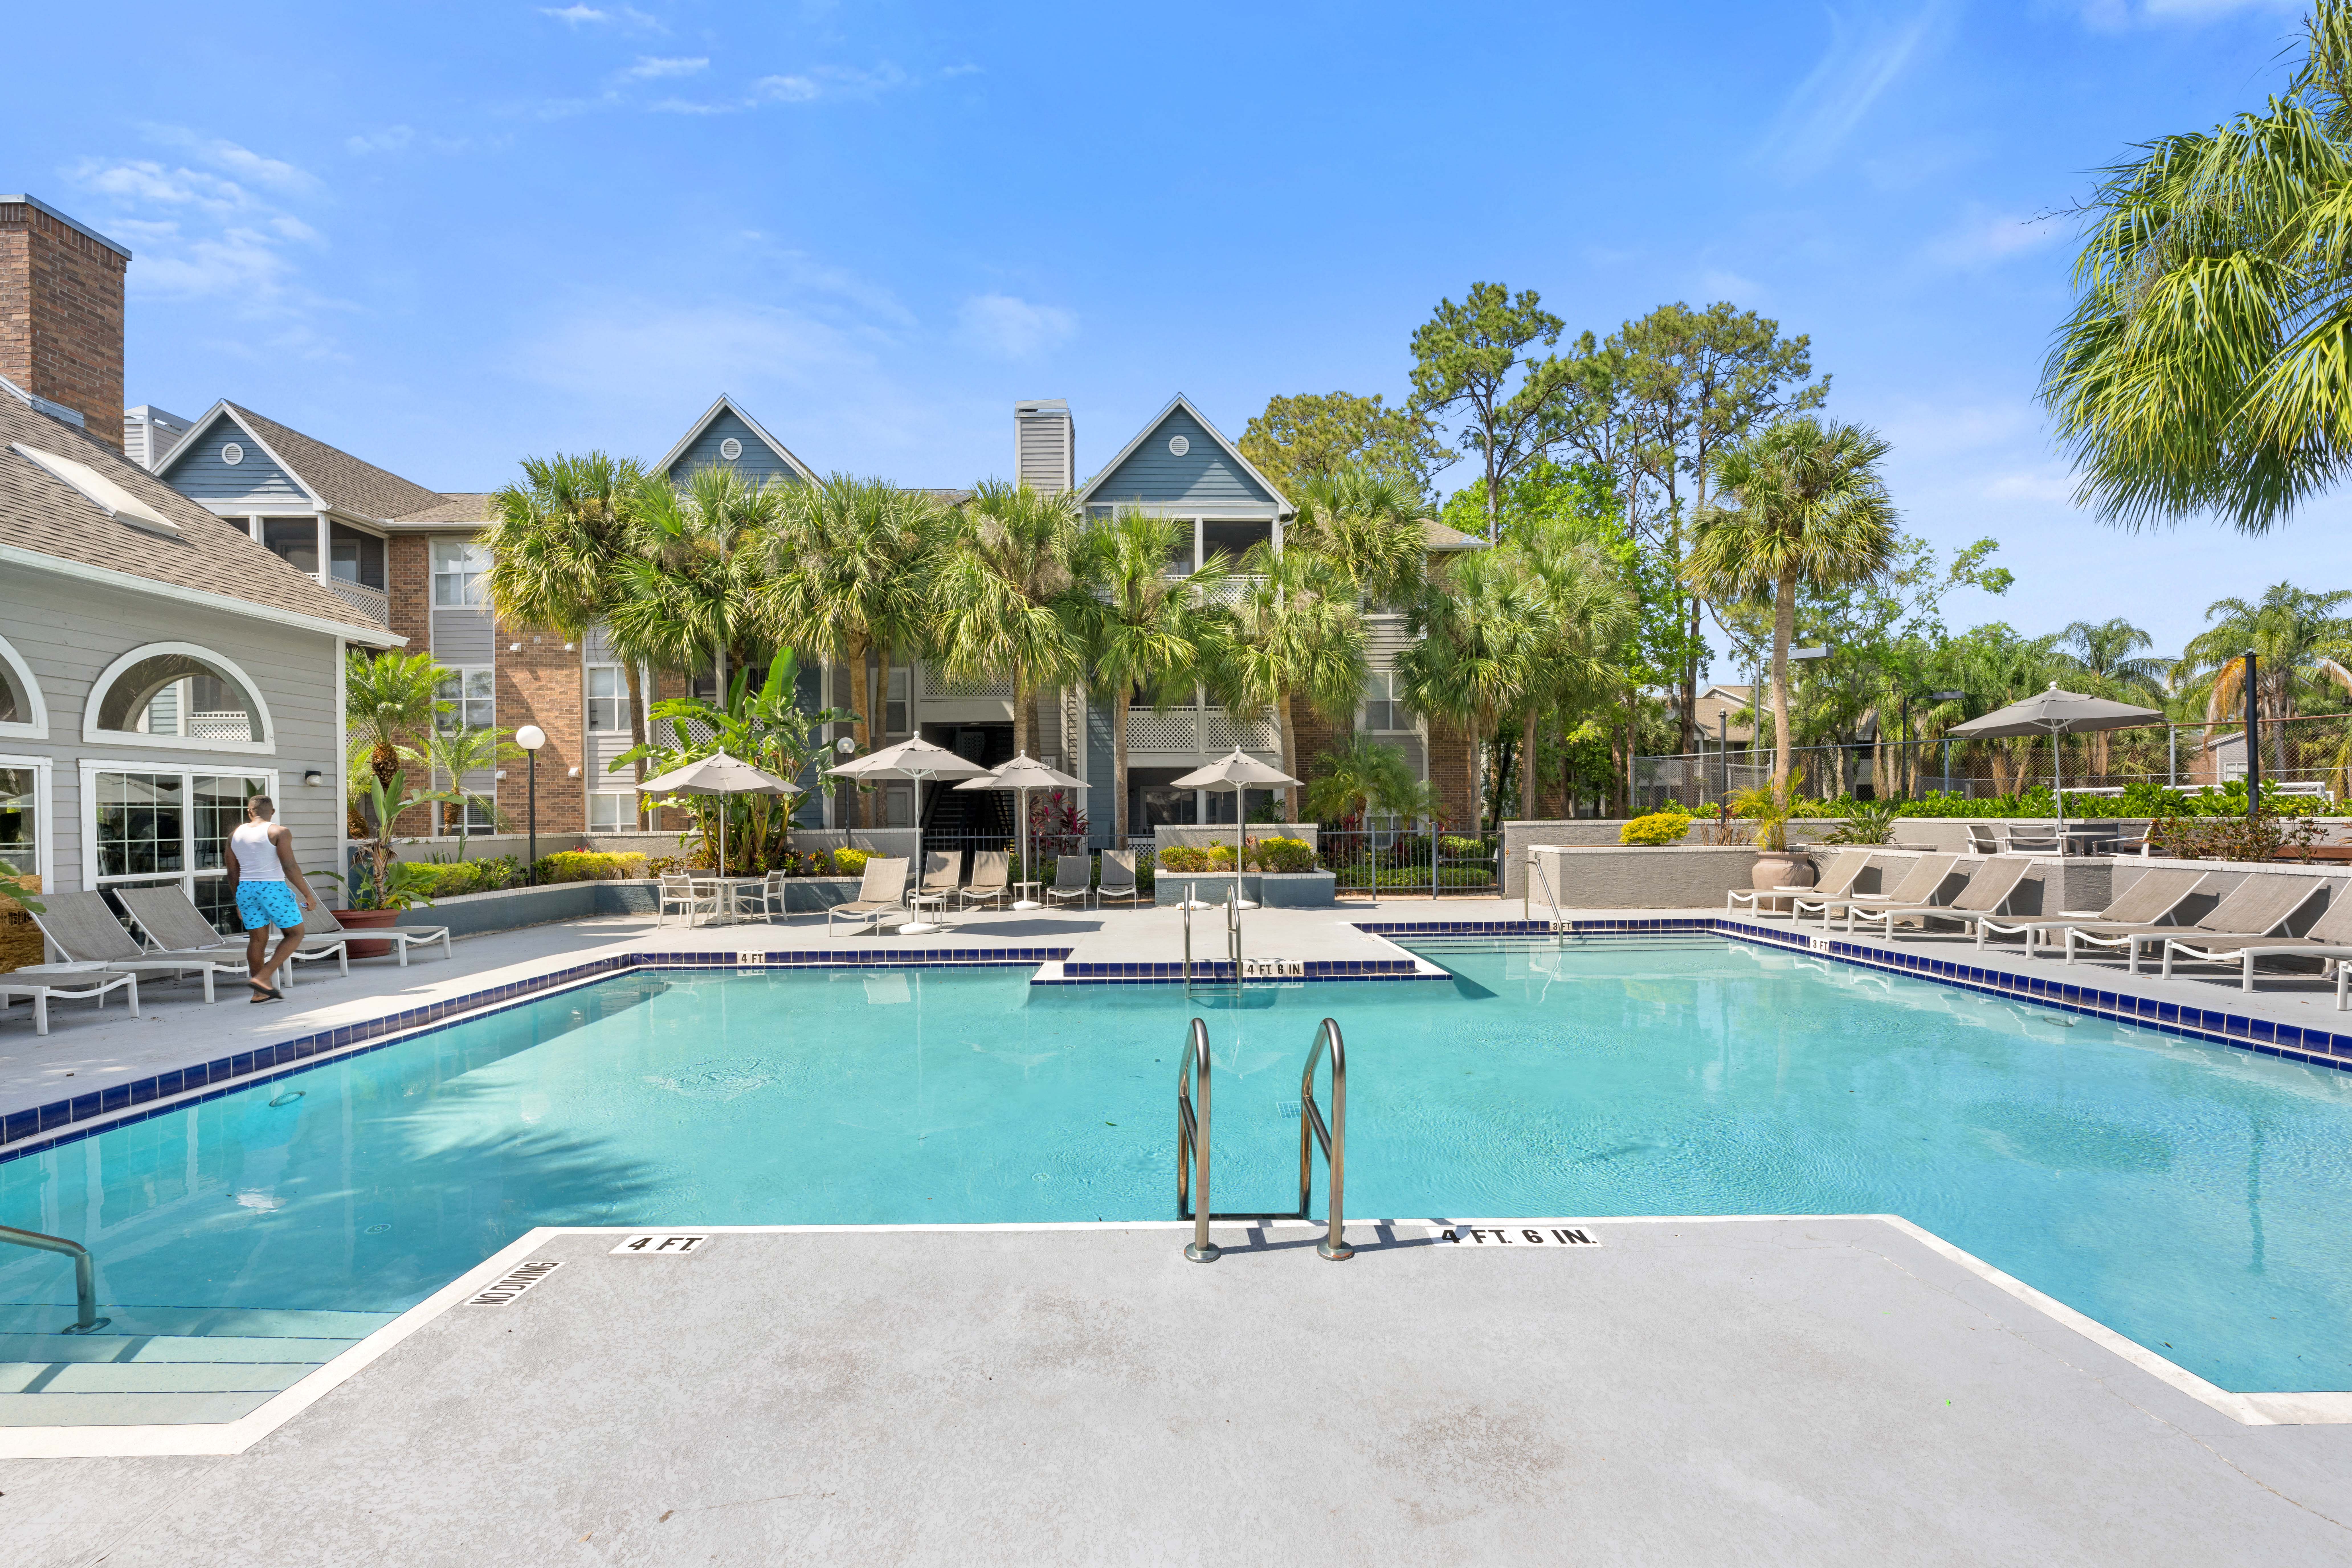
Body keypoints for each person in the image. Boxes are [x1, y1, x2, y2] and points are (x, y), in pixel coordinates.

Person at [221, 794, 318, 1003]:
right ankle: (263, 978)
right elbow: (290, 866)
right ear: (272, 812)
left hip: (245, 890)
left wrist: (239, 900)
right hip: (272, 888)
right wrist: (308, 894)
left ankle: (260, 993)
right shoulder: (279, 832)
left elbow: (232, 873)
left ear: (249, 812)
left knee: (257, 940)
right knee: (295, 934)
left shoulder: (234, 835)